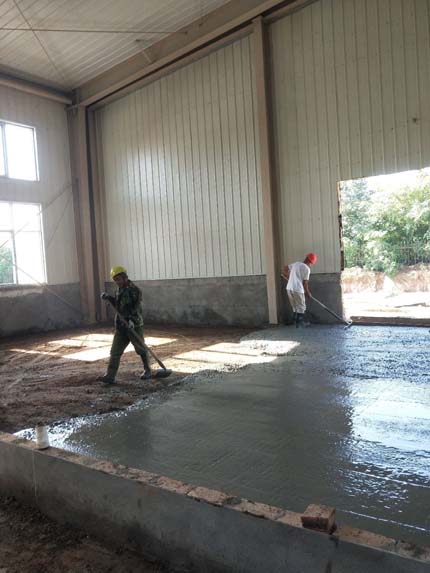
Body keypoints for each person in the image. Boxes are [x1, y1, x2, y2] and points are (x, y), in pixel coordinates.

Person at [100, 266, 152, 384]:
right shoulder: (119, 289)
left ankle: (148, 370)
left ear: (125, 277)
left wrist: (131, 320)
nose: (117, 282)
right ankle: (110, 375)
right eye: (115, 280)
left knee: (141, 349)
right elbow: (119, 305)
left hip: (134, 325)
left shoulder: (135, 290)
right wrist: (109, 298)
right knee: (115, 351)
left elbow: (137, 307)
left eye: (118, 279)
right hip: (121, 326)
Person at [282, 253, 318, 328]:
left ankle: (295, 322)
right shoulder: (307, 269)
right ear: (310, 262)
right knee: (301, 306)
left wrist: (289, 277)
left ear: (306, 258)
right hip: (298, 289)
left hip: (289, 288)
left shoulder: (296, 264)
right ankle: (300, 323)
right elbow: (305, 283)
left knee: (294, 306)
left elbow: (285, 268)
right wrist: (308, 293)